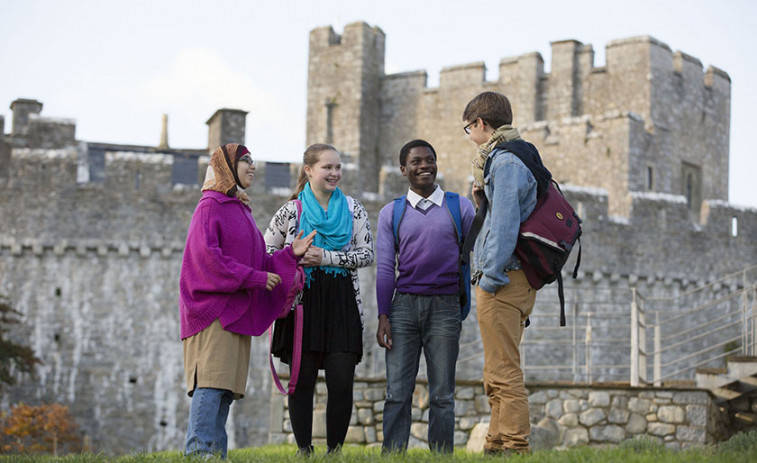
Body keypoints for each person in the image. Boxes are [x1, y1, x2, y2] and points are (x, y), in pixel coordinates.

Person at [179, 143, 315, 459]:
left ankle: (216, 454)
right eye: (245, 161)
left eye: (252, 161)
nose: (252, 166)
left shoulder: (238, 208)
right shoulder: (210, 206)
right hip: (212, 311)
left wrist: (288, 255)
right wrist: (253, 278)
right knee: (210, 384)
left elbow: (258, 261)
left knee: (225, 389)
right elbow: (207, 259)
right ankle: (198, 451)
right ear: (226, 166)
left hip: (235, 310)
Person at [264, 143, 374, 456]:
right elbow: (265, 253)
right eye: (328, 167)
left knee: (341, 380)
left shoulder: (354, 209)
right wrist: (293, 254)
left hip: (341, 302)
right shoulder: (291, 211)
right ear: (309, 170)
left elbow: (367, 255)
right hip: (302, 303)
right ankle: (304, 450)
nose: (335, 173)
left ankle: (335, 451)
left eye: (338, 167)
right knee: (302, 381)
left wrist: (325, 256)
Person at [375, 139, 474, 453]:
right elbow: (386, 268)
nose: (424, 166)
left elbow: (478, 253)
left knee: (443, 394)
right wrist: (383, 316)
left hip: (445, 306)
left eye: (429, 160)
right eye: (416, 162)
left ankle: (441, 456)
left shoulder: (461, 207)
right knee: (396, 393)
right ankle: (393, 455)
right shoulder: (392, 213)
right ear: (404, 169)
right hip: (402, 307)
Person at [462, 91, 547, 455]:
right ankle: (496, 444)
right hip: (510, 278)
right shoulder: (510, 156)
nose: (468, 135)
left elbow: (505, 226)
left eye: (468, 128)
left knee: (505, 371)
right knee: (495, 369)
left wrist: (489, 277)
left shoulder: (506, 162)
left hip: (504, 279)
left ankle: (514, 446)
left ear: (481, 124)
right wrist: (481, 201)